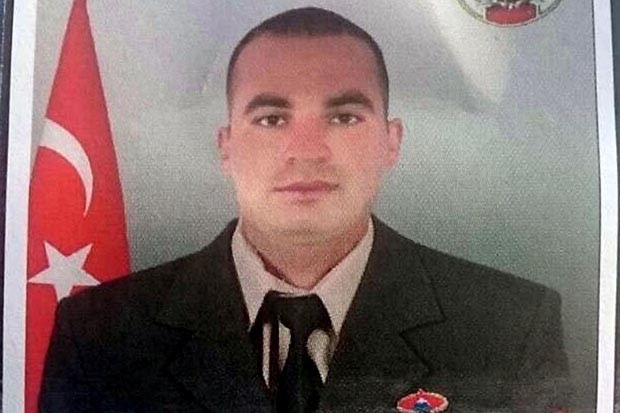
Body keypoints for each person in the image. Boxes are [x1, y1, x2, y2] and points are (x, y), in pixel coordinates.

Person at [39, 7, 571, 413]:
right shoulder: (100, 336)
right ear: (226, 147)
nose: (307, 151)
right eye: (272, 119)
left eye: (344, 117)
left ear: (391, 142)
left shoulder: (510, 329)